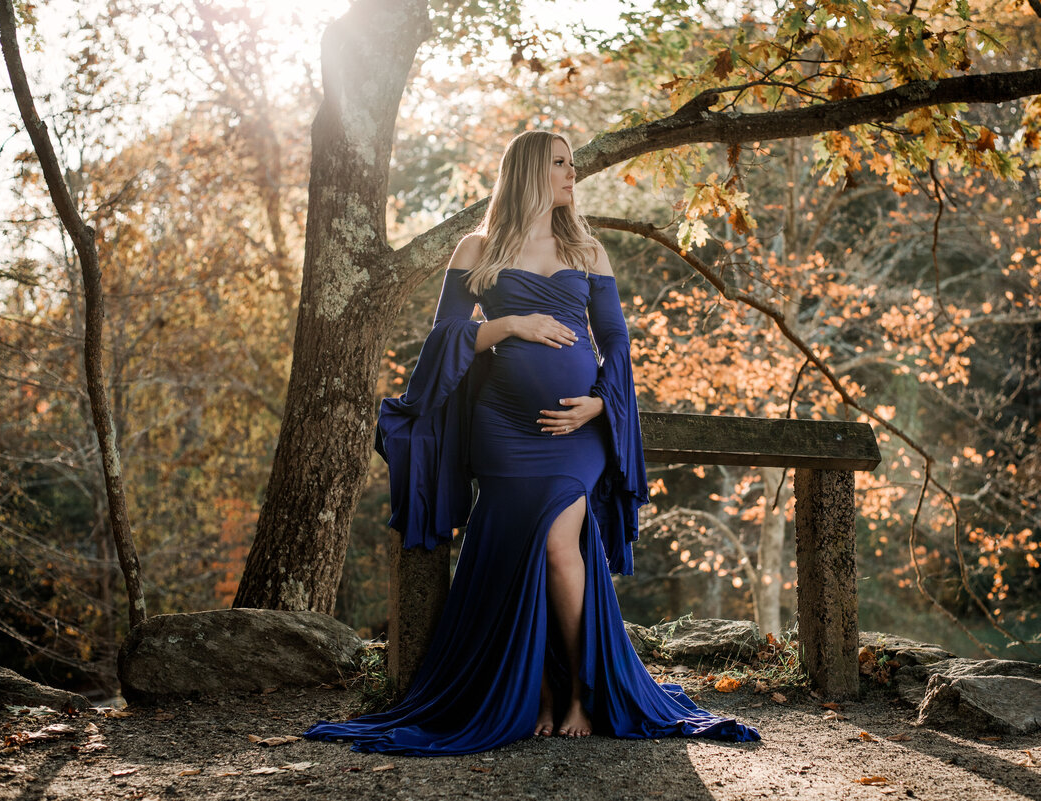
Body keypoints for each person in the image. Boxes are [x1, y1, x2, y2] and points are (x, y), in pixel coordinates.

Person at [302, 130, 760, 755]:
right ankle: (536, 690)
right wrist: (510, 323)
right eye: (561, 163)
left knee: (556, 544)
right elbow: (444, 339)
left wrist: (602, 403)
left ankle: (577, 690)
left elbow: (617, 341)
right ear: (526, 172)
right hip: (502, 429)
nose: (573, 173)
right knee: (520, 550)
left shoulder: (588, 250)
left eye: (573, 163)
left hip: (578, 435)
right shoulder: (479, 246)